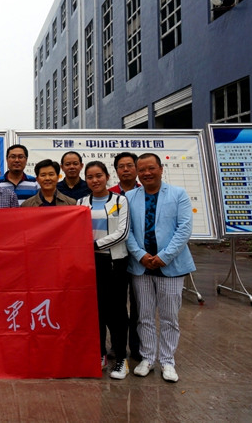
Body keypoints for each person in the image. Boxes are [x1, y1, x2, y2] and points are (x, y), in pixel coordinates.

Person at [126, 153, 195, 383]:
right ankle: (147, 358)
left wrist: (164, 257)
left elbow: (184, 229)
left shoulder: (178, 194)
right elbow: (127, 231)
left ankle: (167, 361)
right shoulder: (129, 197)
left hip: (171, 266)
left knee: (169, 317)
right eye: (142, 170)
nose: (146, 173)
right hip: (141, 267)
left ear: (161, 169)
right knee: (144, 316)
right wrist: (140, 255)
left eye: (151, 168)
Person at [77, 161, 130, 379]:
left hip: (114, 262)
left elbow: (123, 232)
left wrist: (94, 245)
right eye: (90, 177)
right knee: (95, 311)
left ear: (107, 176)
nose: (95, 180)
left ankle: (121, 358)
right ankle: (99, 354)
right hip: (90, 264)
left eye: (99, 175)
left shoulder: (120, 200)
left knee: (116, 312)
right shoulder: (81, 202)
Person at [108, 152, 141, 361]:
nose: (126, 169)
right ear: (116, 170)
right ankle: (117, 346)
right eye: (121, 166)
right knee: (117, 306)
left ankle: (137, 348)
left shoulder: (145, 191)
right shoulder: (108, 194)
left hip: (140, 258)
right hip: (115, 258)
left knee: (139, 306)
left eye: (130, 165)